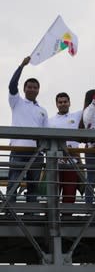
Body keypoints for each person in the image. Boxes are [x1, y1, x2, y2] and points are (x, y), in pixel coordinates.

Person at [7, 56, 48, 203]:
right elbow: (12, 85)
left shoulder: (42, 111)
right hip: (18, 150)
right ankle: (9, 212)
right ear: (24, 89)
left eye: (35, 87)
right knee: (13, 183)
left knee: (33, 185)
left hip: (36, 153)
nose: (32, 89)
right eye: (29, 87)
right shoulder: (16, 101)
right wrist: (21, 66)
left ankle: (30, 214)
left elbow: (46, 135)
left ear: (38, 90)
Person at [46, 92, 82, 204]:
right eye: (60, 102)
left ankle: (68, 219)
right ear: (56, 104)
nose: (63, 104)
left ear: (69, 103)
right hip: (54, 163)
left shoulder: (77, 115)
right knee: (53, 195)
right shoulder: (49, 121)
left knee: (70, 194)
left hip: (72, 163)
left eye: (65, 102)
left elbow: (89, 106)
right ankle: (52, 221)